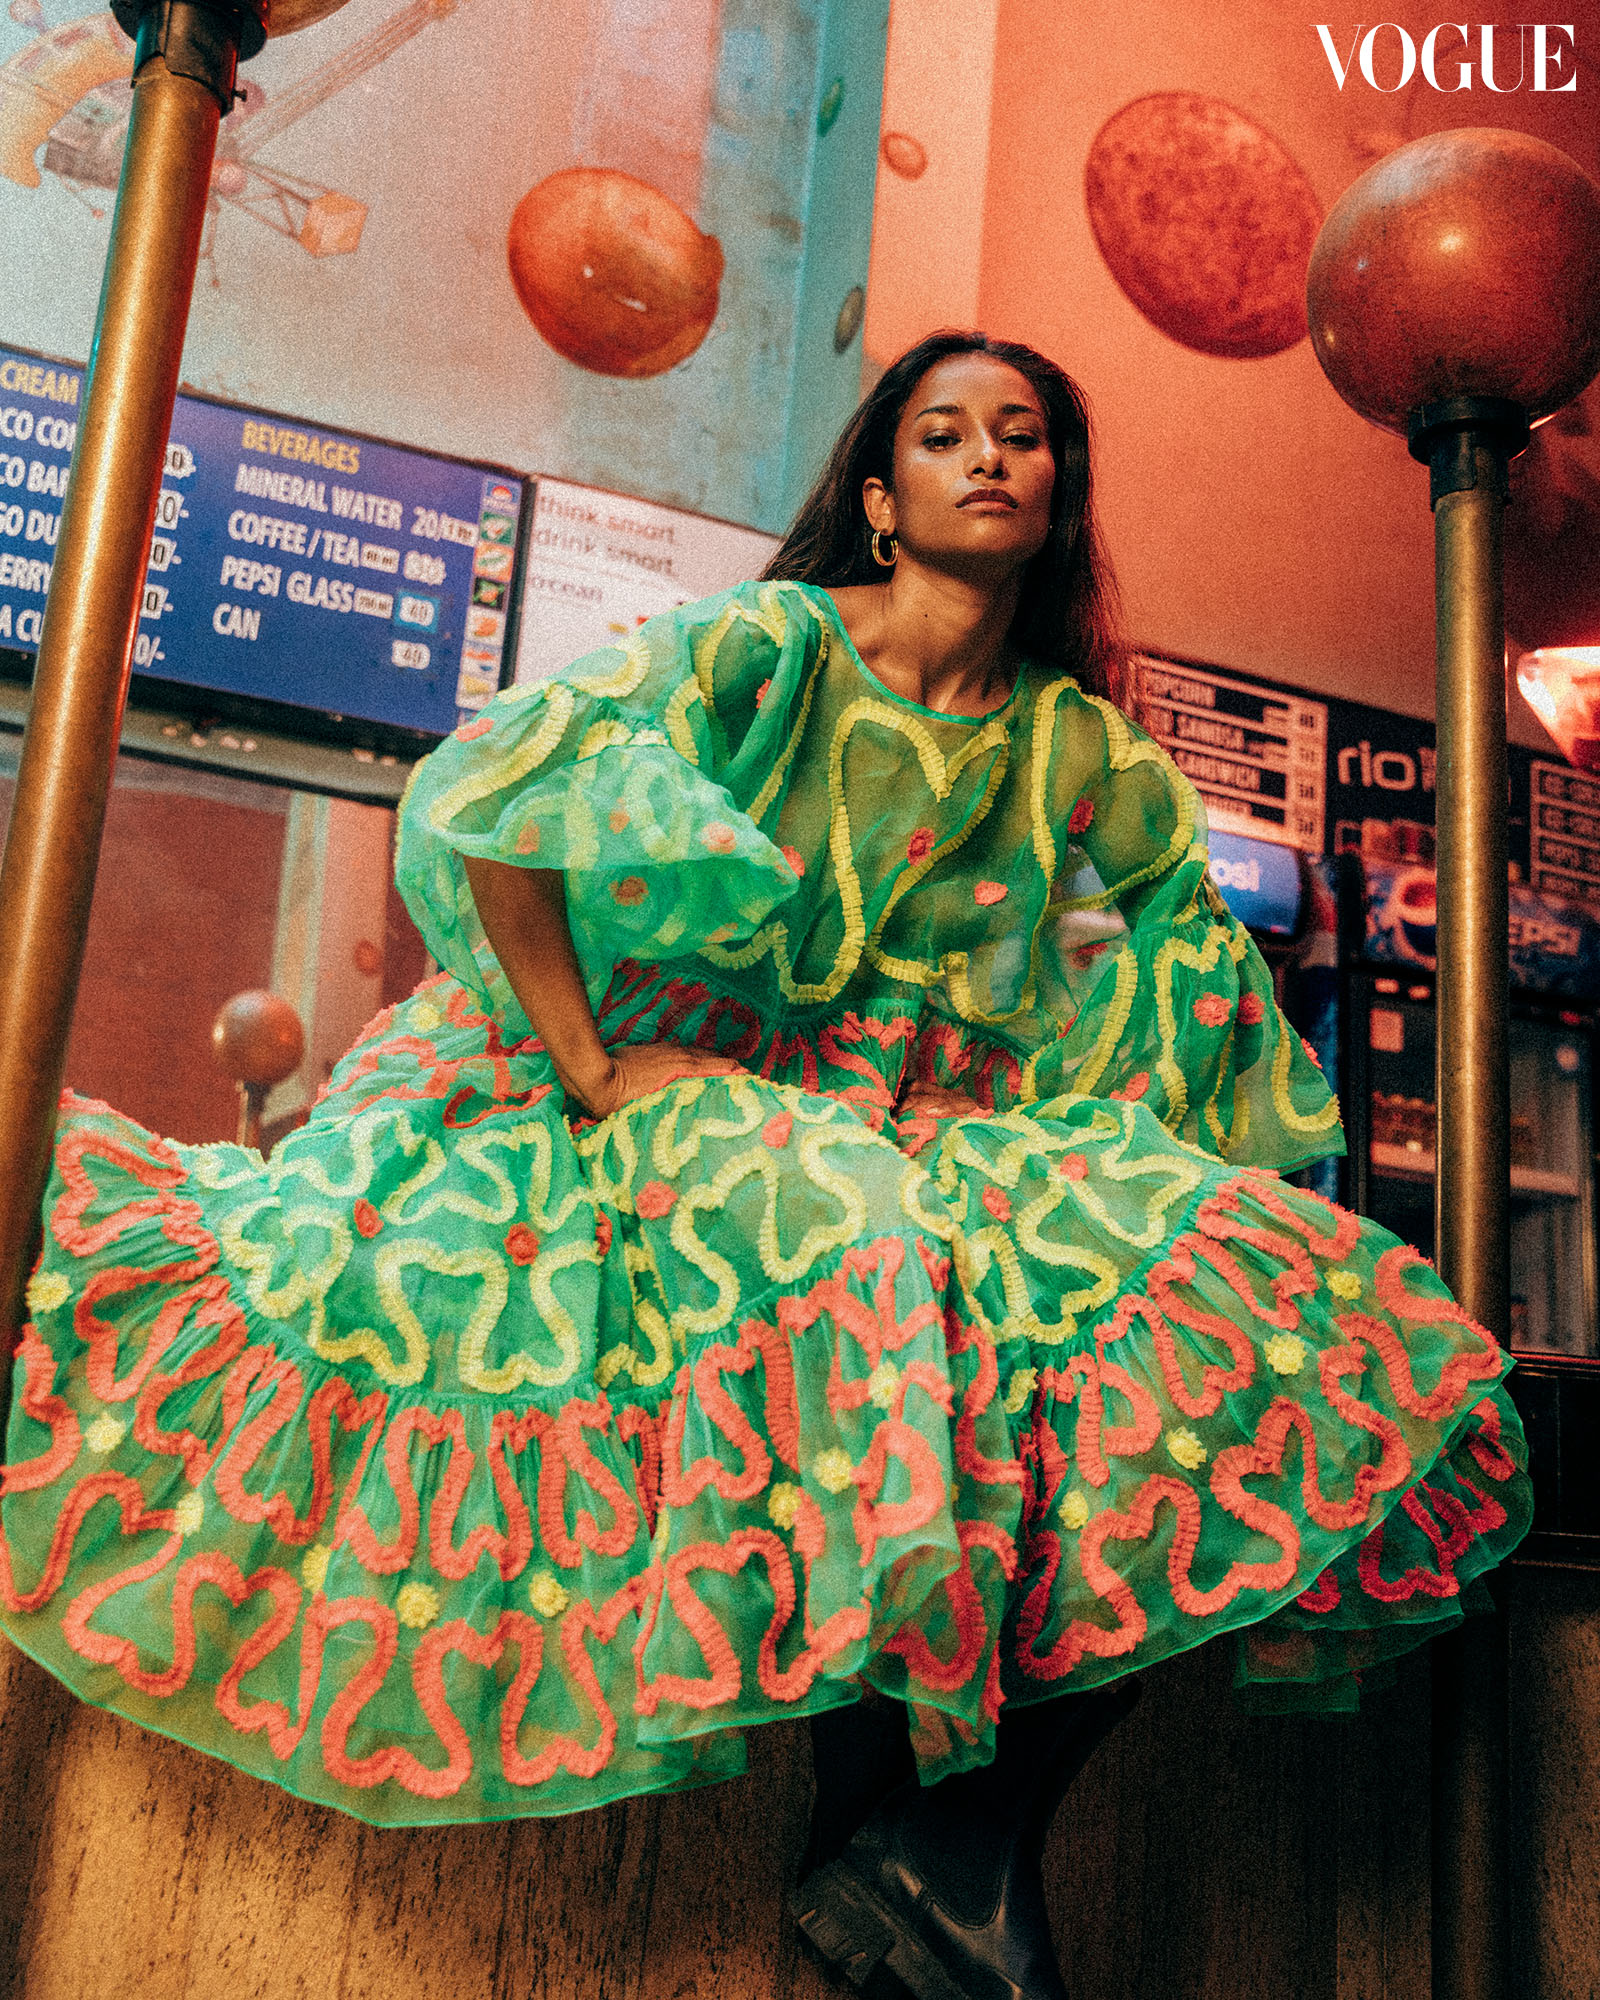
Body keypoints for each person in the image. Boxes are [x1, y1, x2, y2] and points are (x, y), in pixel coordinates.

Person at [2, 332, 1529, 2000]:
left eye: (1022, 434)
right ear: (880, 497)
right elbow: (505, 792)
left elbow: (1191, 989)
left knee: (1269, 1295)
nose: (988, 456)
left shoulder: (1079, 748)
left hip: (899, 1124)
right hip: (678, 1080)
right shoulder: (772, 647)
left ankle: (949, 1841)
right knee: (855, 1240)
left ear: (1060, 492)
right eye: (943, 434)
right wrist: (592, 1069)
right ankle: (905, 1844)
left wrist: (1060, 1139)